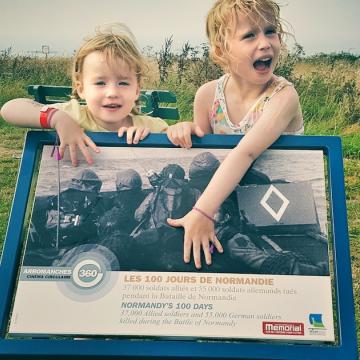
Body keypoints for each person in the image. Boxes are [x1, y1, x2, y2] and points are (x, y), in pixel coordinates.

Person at [166, 0, 304, 269]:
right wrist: (183, 131)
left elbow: (247, 152)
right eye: (249, 35)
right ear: (221, 50)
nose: (265, 43)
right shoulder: (207, 96)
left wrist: (203, 211)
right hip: (229, 203)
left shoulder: (284, 95)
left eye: (270, 31)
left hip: (274, 200)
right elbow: (206, 158)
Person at [0, 23, 168, 166]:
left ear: (137, 90)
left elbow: (184, 141)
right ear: (81, 89)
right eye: (100, 83)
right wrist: (57, 118)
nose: (112, 93)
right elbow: (9, 109)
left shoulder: (151, 127)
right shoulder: (72, 116)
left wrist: (183, 130)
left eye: (123, 83)